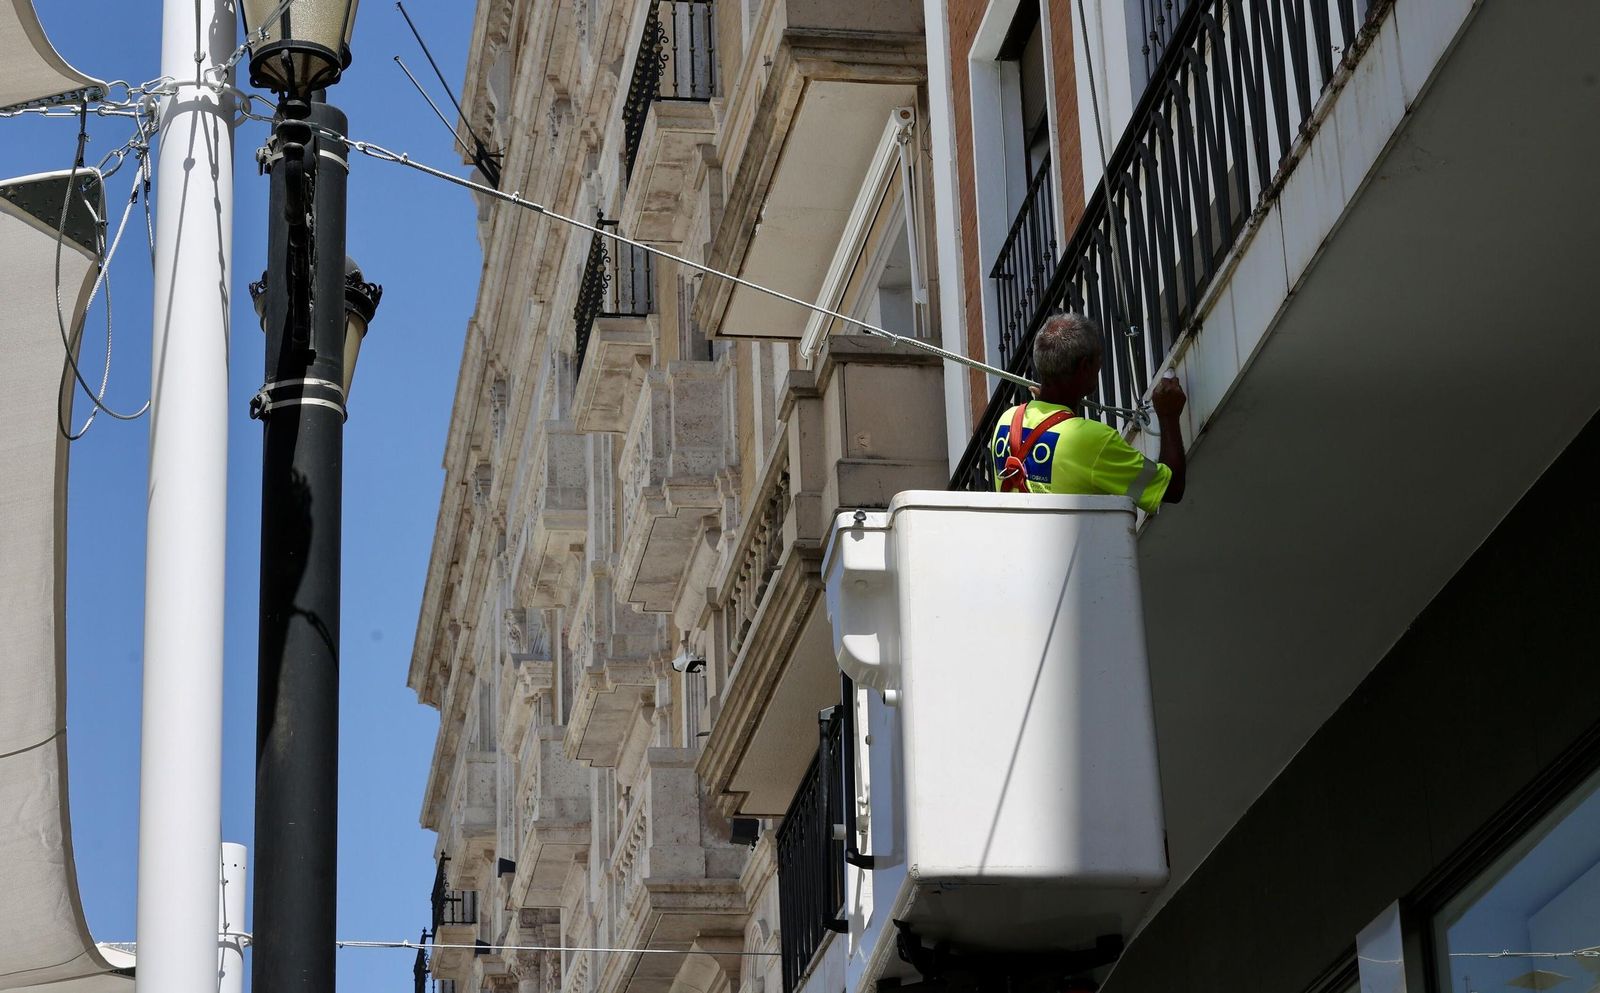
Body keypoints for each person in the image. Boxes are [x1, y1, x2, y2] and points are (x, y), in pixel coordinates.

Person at [992, 312, 1188, 512]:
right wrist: (1168, 416)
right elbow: (1171, 489)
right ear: (1085, 366)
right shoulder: (1093, 440)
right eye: (1098, 358)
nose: (1100, 365)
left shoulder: (1007, 421)